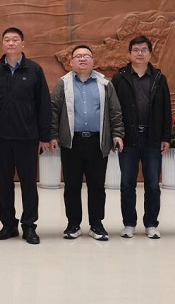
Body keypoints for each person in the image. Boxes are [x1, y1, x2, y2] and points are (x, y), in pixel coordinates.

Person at [50, 44, 124, 241]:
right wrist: (52, 135)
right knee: (72, 186)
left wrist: (117, 134)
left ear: (93, 61)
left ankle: (96, 225)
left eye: (86, 56)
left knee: (97, 186)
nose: (82, 59)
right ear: (71, 62)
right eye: (78, 56)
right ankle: (73, 225)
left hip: (97, 142)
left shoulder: (105, 83)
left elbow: (115, 111)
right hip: (71, 143)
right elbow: (54, 110)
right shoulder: (63, 83)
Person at [0, 27, 51, 245]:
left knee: (28, 184)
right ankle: (8, 225)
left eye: (15, 40)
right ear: (2, 44)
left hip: (27, 137)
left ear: (23, 44)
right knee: (4, 183)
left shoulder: (34, 70)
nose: (11, 43)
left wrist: (44, 136)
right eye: (7, 39)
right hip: (1, 137)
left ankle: (29, 225)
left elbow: (43, 104)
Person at [111, 35, 172, 239]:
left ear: (150, 53)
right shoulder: (119, 77)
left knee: (153, 184)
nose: (140, 53)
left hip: (152, 138)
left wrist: (166, 137)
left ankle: (151, 224)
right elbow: (113, 108)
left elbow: (166, 109)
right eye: (136, 50)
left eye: (144, 50)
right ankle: (129, 223)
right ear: (129, 54)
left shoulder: (159, 78)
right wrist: (115, 134)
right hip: (128, 139)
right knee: (127, 183)